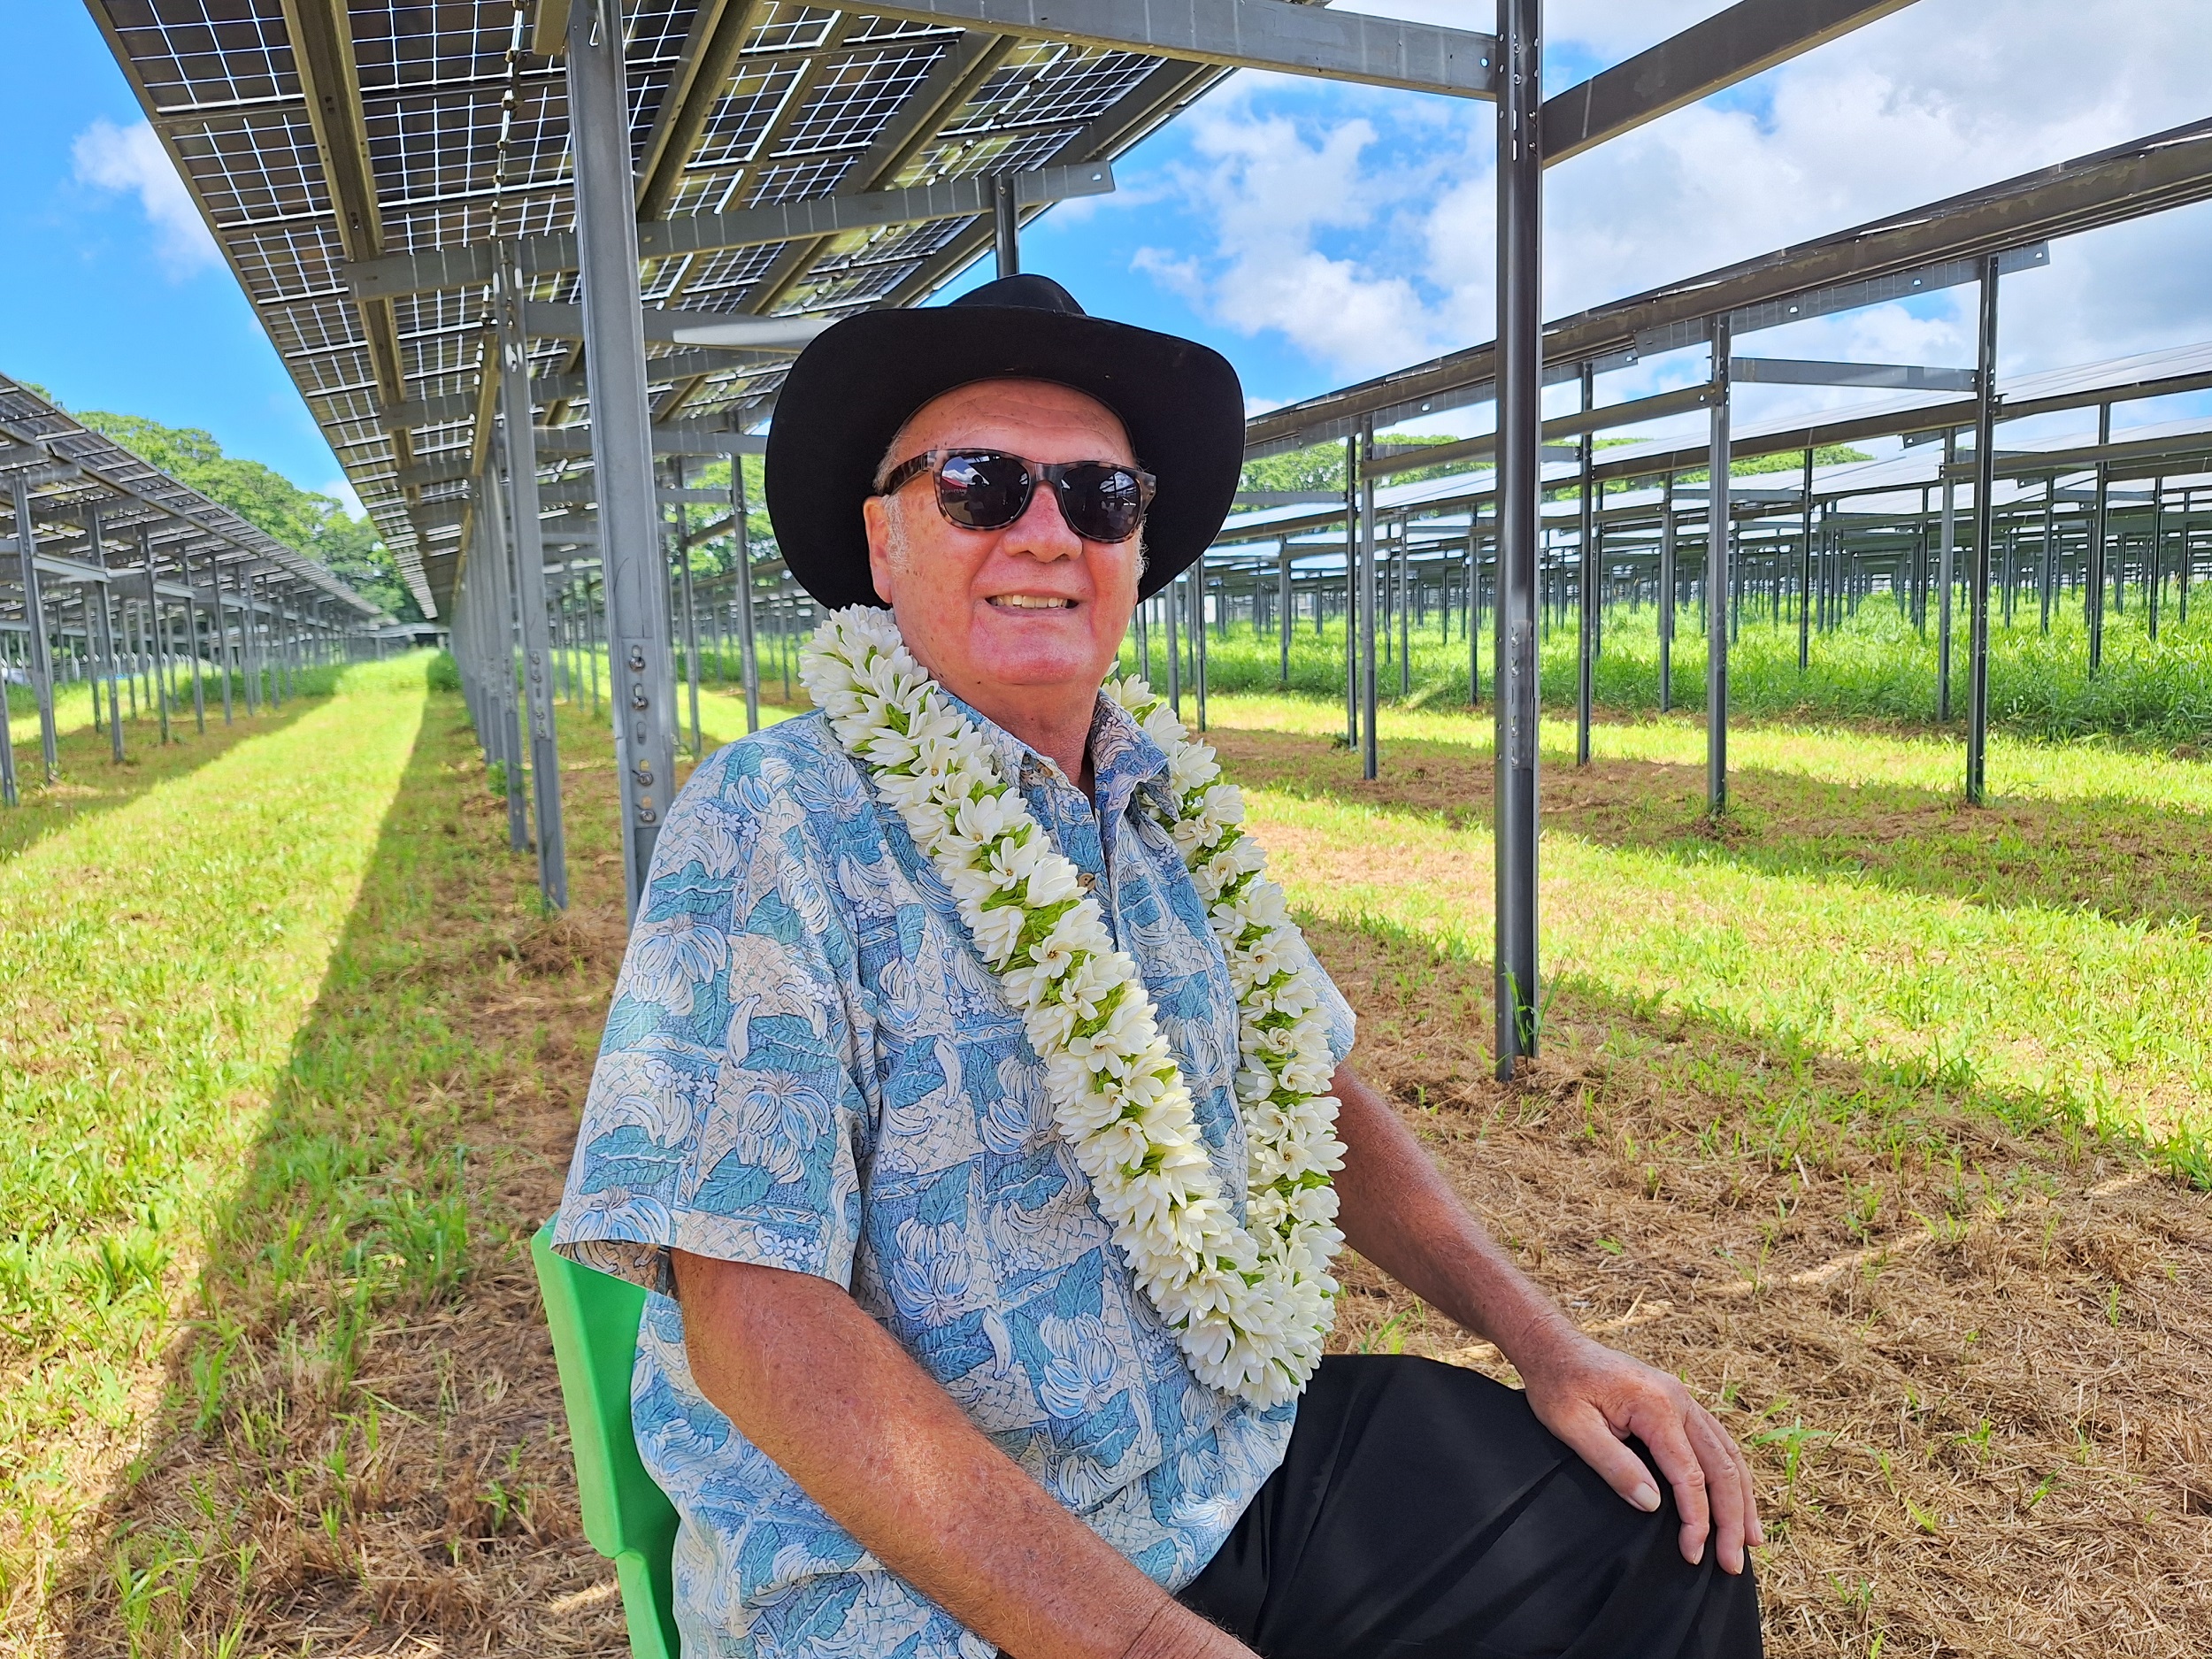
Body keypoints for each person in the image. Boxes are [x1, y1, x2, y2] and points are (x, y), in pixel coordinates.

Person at [552, 275, 1764, 1659]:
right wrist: (1138, 1644)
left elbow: (1307, 1086)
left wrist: (1552, 1345)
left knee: (1652, 1539)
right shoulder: (773, 817)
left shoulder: (1165, 805)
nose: (1047, 532)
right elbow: (755, 1317)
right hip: (916, 1580)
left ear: (1138, 548)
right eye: (981, 484)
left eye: (1101, 497)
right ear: (885, 545)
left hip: (1223, 1465)